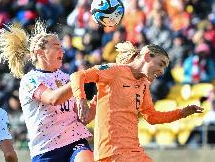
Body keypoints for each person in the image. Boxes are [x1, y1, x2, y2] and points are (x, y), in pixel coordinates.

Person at [70, 41, 204, 162]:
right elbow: (78, 76)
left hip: (134, 152)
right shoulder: (114, 70)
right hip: (112, 152)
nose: (162, 71)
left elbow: (152, 117)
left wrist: (181, 113)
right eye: (160, 64)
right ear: (147, 56)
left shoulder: (143, 84)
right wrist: (81, 99)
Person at [0, 20, 95, 162]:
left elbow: (82, 118)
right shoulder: (30, 80)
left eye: (61, 47)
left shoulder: (66, 78)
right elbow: (53, 99)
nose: (63, 51)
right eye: (56, 47)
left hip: (75, 141)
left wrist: (98, 102)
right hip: (46, 150)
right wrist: (80, 78)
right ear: (40, 52)